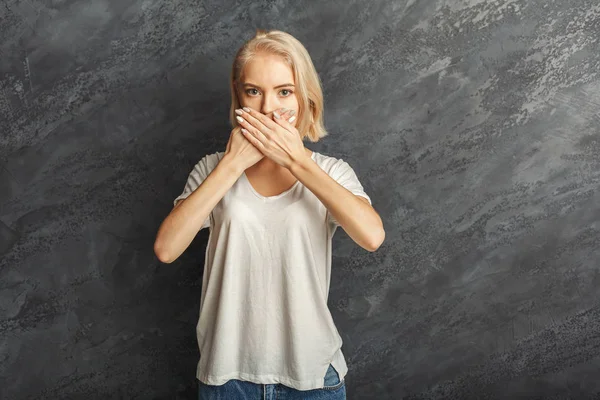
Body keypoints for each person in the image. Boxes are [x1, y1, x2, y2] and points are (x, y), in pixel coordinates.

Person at [154, 29, 385, 400]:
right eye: (253, 91)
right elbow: (166, 248)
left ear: (304, 96)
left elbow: (372, 237)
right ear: (238, 95)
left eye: (284, 91)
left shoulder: (332, 171)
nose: (267, 108)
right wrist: (231, 165)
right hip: (226, 379)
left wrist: (295, 161)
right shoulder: (213, 168)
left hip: (311, 380)